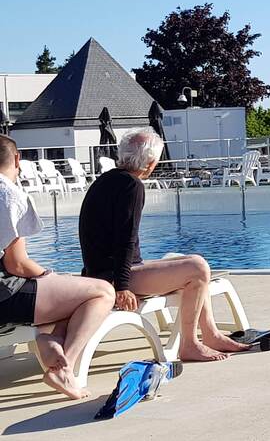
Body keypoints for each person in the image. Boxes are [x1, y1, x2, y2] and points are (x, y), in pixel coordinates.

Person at [79, 128, 248, 362]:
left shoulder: (107, 179)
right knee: (197, 268)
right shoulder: (132, 185)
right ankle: (190, 344)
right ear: (149, 162)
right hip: (111, 277)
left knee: (187, 260)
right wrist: (122, 286)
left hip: (102, 271)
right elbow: (125, 239)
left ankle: (211, 334)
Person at [0, 135, 115, 399]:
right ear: (17, 159)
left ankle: (50, 340)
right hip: (4, 296)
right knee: (102, 292)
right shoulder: (8, 194)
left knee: (71, 294)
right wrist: (48, 275)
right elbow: (16, 263)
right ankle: (64, 368)